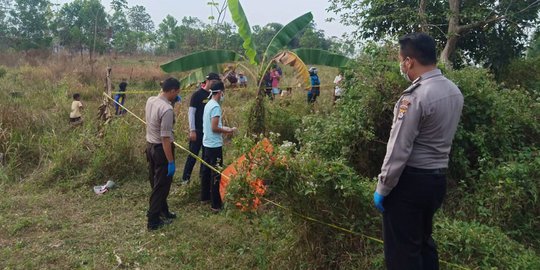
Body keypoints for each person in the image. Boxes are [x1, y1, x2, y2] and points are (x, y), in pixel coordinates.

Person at [373, 33, 464, 269]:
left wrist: (383, 187)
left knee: (402, 253)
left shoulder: (415, 97)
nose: (401, 65)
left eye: (401, 59)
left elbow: (399, 148)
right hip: (436, 181)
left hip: (409, 184)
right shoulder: (454, 91)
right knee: (423, 243)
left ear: (410, 61)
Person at [145, 77, 181, 231]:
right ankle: (153, 220)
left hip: (150, 146)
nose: (177, 95)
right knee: (161, 186)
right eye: (176, 92)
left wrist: (170, 102)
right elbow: (165, 138)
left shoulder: (151, 100)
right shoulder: (167, 110)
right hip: (161, 149)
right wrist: (171, 161)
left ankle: (163, 211)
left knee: (156, 182)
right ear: (172, 91)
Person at [201, 81, 236, 212]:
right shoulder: (215, 106)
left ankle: (205, 197)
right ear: (220, 92)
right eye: (223, 93)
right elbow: (214, 127)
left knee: (206, 172)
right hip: (214, 145)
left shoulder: (208, 104)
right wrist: (228, 130)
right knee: (216, 174)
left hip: (206, 143)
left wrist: (224, 128)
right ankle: (215, 205)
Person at [181, 73, 221, 186]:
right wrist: (192, 130)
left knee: (205, 156)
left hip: (207, 131)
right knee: (193, 155)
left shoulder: (213, 96)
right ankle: (185, 179)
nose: (214, 84)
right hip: (197, 130)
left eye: (216, 82)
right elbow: (191, 113)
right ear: (207, 81)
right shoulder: (197, 95)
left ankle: (202, 178)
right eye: (213, 82)